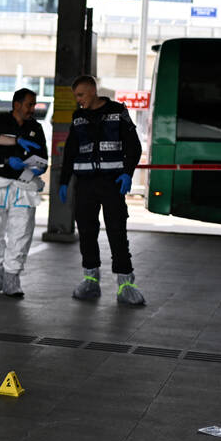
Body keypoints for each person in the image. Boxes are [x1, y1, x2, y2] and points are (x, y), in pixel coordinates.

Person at [58, 75, 145, 305]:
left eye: (81, 95)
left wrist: (127, 172)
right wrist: (64, 181)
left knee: (117, 231)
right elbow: (70, 151)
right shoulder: (78, 117)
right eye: (76, 96)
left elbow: (133, 146)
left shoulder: (117, 112)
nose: (78, 101)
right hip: (85, 184)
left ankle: (126, 283)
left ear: (93, 91)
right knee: (86, 232)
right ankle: (90, 281)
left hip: (112, 182)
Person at [0, 88, 48, 297]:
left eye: (34, 104)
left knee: (21, 232)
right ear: (17, 104)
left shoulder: (36, 127)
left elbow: (42, 155)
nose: (32, 109)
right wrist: (8, 160)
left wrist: (41, 167)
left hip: (24, 186)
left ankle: (12, 277)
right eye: (29, 104)